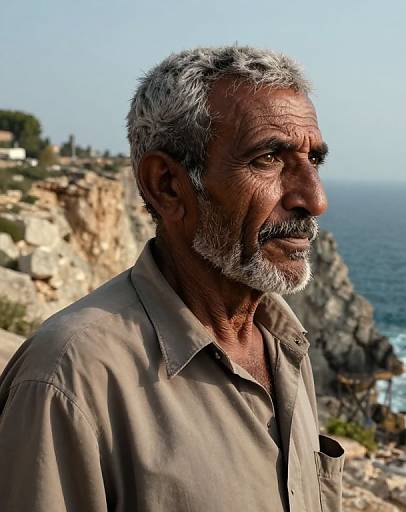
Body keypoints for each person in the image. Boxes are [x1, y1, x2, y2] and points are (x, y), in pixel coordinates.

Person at [0, 46, 344, 511]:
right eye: (268, 159)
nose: (314, 199)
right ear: (167, 184)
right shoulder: (69, 377)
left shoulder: (283, 345)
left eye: (314, 161)